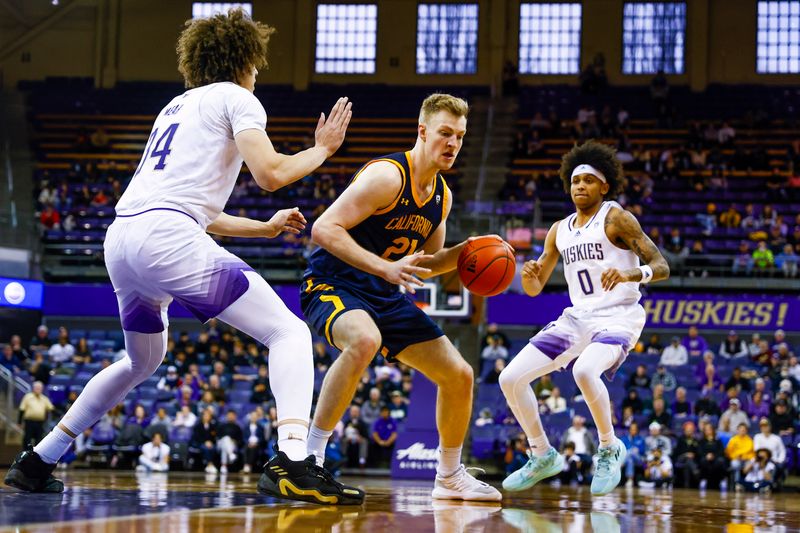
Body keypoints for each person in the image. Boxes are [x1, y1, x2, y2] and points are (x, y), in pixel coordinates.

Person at [5, 8, 362, 505]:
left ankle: (39, 458)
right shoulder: (238, 98)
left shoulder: (175, 106)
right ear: (243, 60)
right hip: (165, 238)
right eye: (256, 64)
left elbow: (191, 208)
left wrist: (262, 227)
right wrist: (322, 149)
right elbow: (270, 173)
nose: (258, 74)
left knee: (141, 360)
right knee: (288, 331)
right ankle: (295, 461)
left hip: (126, 239)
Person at [301, 93, 500, 501]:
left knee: (459, 375)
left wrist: (469, 251)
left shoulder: (441, 197)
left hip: (384, 296)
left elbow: (424, 264)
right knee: (364, 340)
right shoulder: (388, 176)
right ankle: (310, 460)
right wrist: (383, 267)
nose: (452, 143)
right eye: (445, 133)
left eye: (460, 136)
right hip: (333, 283)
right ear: (423, 132)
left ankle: (448, 477)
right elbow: (323, 229)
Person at [500, 141, 670, 496]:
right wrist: (529, 274)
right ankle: (542, 454)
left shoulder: (616, 217)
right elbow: (534, 289)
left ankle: (609, 447)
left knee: (584, 370)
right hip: (578, 317)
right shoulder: (558, 230)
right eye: (575, 180)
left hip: (619, 316)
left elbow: (661, 266)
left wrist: (630, 275)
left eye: (589, 180)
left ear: (604, 186)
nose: (580, 186)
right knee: (510, 378)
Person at [18, 382, 54, 448]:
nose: (38, 389)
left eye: (39, 388)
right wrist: (19, 422)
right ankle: (25, 454)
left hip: (40, 423)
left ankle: (36, 456)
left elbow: (51, 409)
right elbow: (22, 409)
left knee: (39, 439)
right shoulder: (27, 397)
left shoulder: (44, 398)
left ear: (42, 389)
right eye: (37, 388)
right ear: (33, 388)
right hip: (29, 422)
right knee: (27, 438)